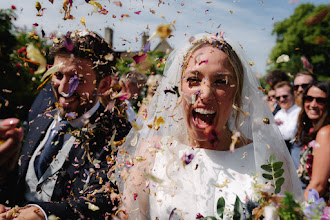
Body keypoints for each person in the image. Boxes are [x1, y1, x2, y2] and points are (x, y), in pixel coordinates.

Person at [117, 33, 303, 219]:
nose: (205, 94)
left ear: (236, 94)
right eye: (193, 80)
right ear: (179, 88)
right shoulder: (151, 155)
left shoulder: (268, 161)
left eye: (221, 82)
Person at [0, 30, 131, 219]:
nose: (63, 88)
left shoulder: (119, 133)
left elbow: (104, 198)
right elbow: (19, 177)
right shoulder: (40, 116)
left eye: (77, 79)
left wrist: (43, 214)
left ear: (103, 85)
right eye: (59, 76)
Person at [296, 81, 330, 201]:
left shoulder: (325, 132)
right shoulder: (312, 131)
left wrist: (300, 212)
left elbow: (318, 186)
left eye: (320, 100)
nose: (313, 104)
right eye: (309, 98)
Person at [274, 81, 301, 152]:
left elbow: (290, 134)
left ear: (293, 95)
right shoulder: (279, 113)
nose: (282, 99)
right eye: (278, 98)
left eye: (285, 96)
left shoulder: (299, 112)